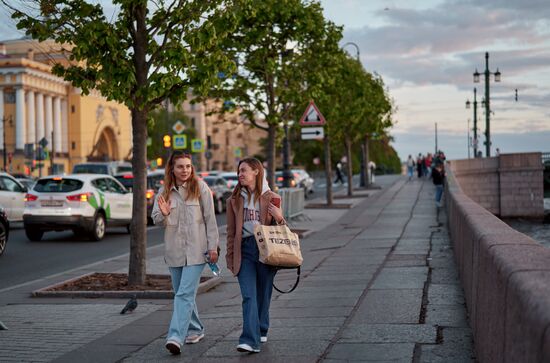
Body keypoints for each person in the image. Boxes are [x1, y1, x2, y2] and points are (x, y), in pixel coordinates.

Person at [152, 151, 219, 355]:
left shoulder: (200, 188)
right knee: (184, 294)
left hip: (197, 251)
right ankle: (196, 328)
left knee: (183, 294)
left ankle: (175, 337)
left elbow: (210, 220)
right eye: (180, 166)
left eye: (188, 166)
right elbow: (155, 218)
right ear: (172, 168)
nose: (185, 170)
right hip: (174, 252)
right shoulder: (164, 192)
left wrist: (213, 247)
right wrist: (163, 215)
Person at [225, 157, 285, 353]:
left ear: (256, 172)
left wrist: (279, 217)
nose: (240, 174)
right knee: (249, 295)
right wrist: (229, 256)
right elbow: (231, 231)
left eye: (244, 170)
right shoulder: (234, 200)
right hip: (245, 250)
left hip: (265, 249)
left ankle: (262, 327)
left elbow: (281, 230)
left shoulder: (272, 197)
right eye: (239, 171)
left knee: (263, 294)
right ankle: (249, 340)